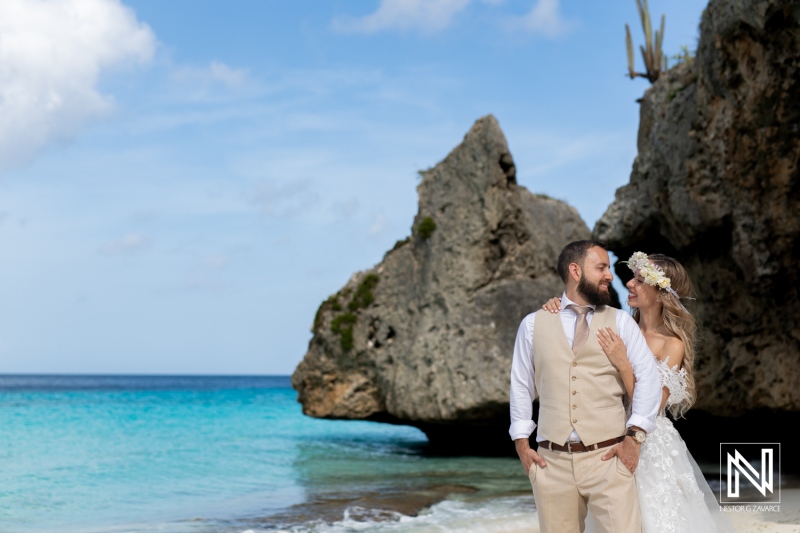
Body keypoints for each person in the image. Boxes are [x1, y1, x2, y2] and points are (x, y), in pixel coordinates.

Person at [541, 251, 736, 533]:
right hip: (605, 436)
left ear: (661, 293)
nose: (630, 284)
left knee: (653, 520)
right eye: (633, 278)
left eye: (640, 280)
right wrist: (557, 305)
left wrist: (622, 362)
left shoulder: (672, 344)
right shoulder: (618, 325)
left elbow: (653, 405)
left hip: (649, 445)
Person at [509, 240, 662, 533]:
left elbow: (648, 382)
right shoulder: (532, 324)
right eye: (601, 267)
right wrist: (521, 442)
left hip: (609, 458)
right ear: (575, 270)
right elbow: (520, 385)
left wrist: (634, 438)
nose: (610, 275)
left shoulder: (621, 322)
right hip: (550, 463)